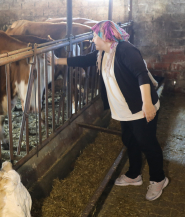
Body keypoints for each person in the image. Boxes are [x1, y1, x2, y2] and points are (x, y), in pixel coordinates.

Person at [55, 20, 168, 201]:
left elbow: (141, 74)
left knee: (147, 143)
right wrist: (56, 60)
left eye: (94, 36)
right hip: (125, 110)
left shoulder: (126, 50)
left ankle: (159, 179)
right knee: (129, 140)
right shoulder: (104, 53)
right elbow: (84, 60)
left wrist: (147, 103)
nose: (92, 40)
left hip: (140, 108)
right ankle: (134, 175)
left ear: (105, 37)